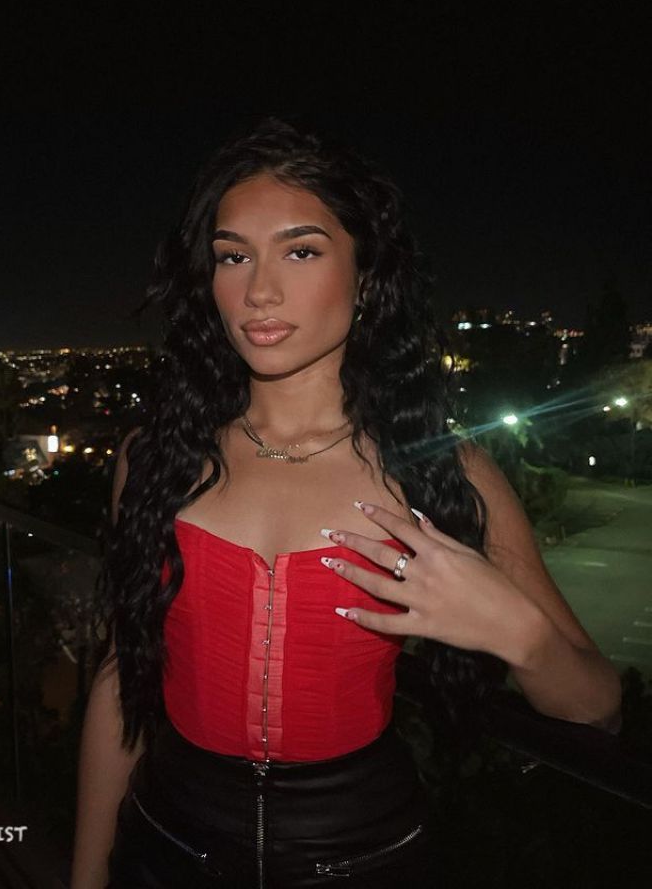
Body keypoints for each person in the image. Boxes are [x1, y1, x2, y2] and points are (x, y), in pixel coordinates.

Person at [70, 119, 621, 889]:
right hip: (169, 846)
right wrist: (86, 876)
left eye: (301, 251)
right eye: (233, 255)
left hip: (365, 860)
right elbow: (121, 680)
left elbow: (597, 708)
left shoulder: (441, 473)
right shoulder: (155, 459)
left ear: (366, 276)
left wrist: (518, 633)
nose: (260, 291)